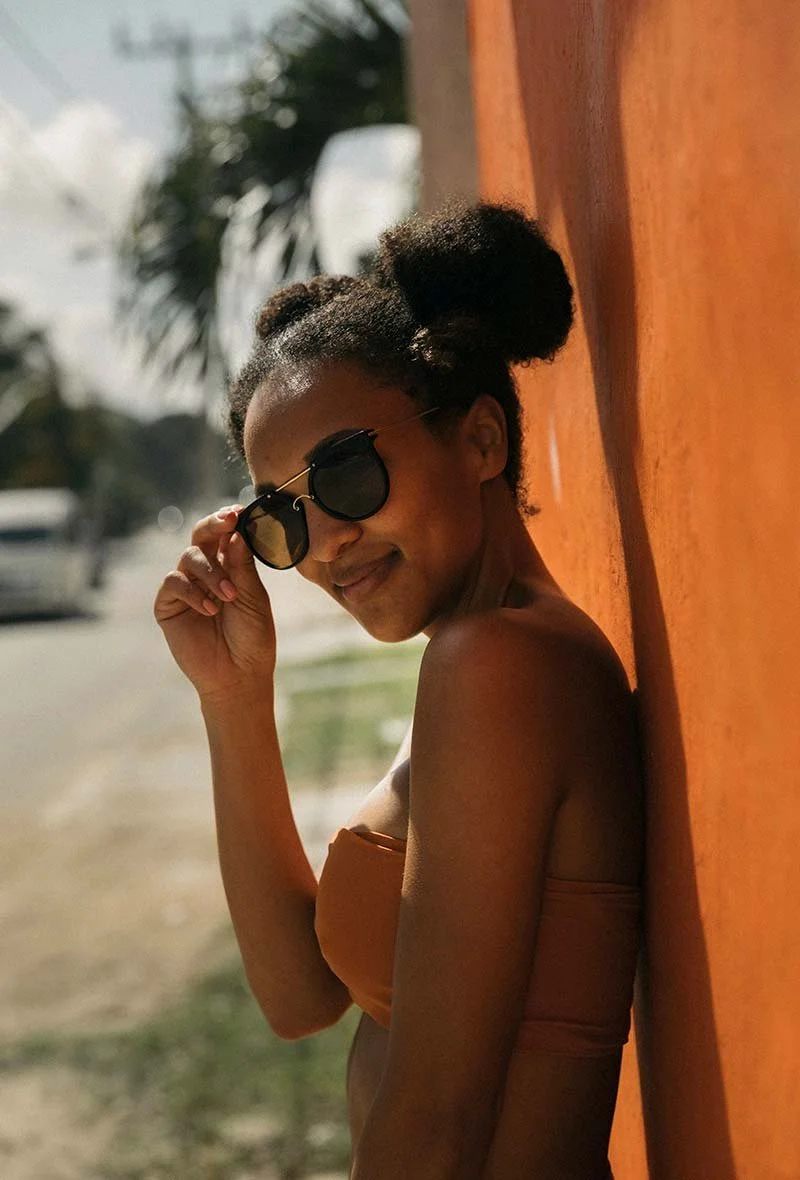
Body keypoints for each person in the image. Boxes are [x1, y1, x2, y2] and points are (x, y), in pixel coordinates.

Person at [154, 201, 645, 1180]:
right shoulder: (486, 656)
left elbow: (434, 1120)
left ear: (477, 443)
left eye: (344, 473)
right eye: (280, 517)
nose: (324, 542)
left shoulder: (495, 667)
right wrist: (234, 695)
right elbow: (301, 996)